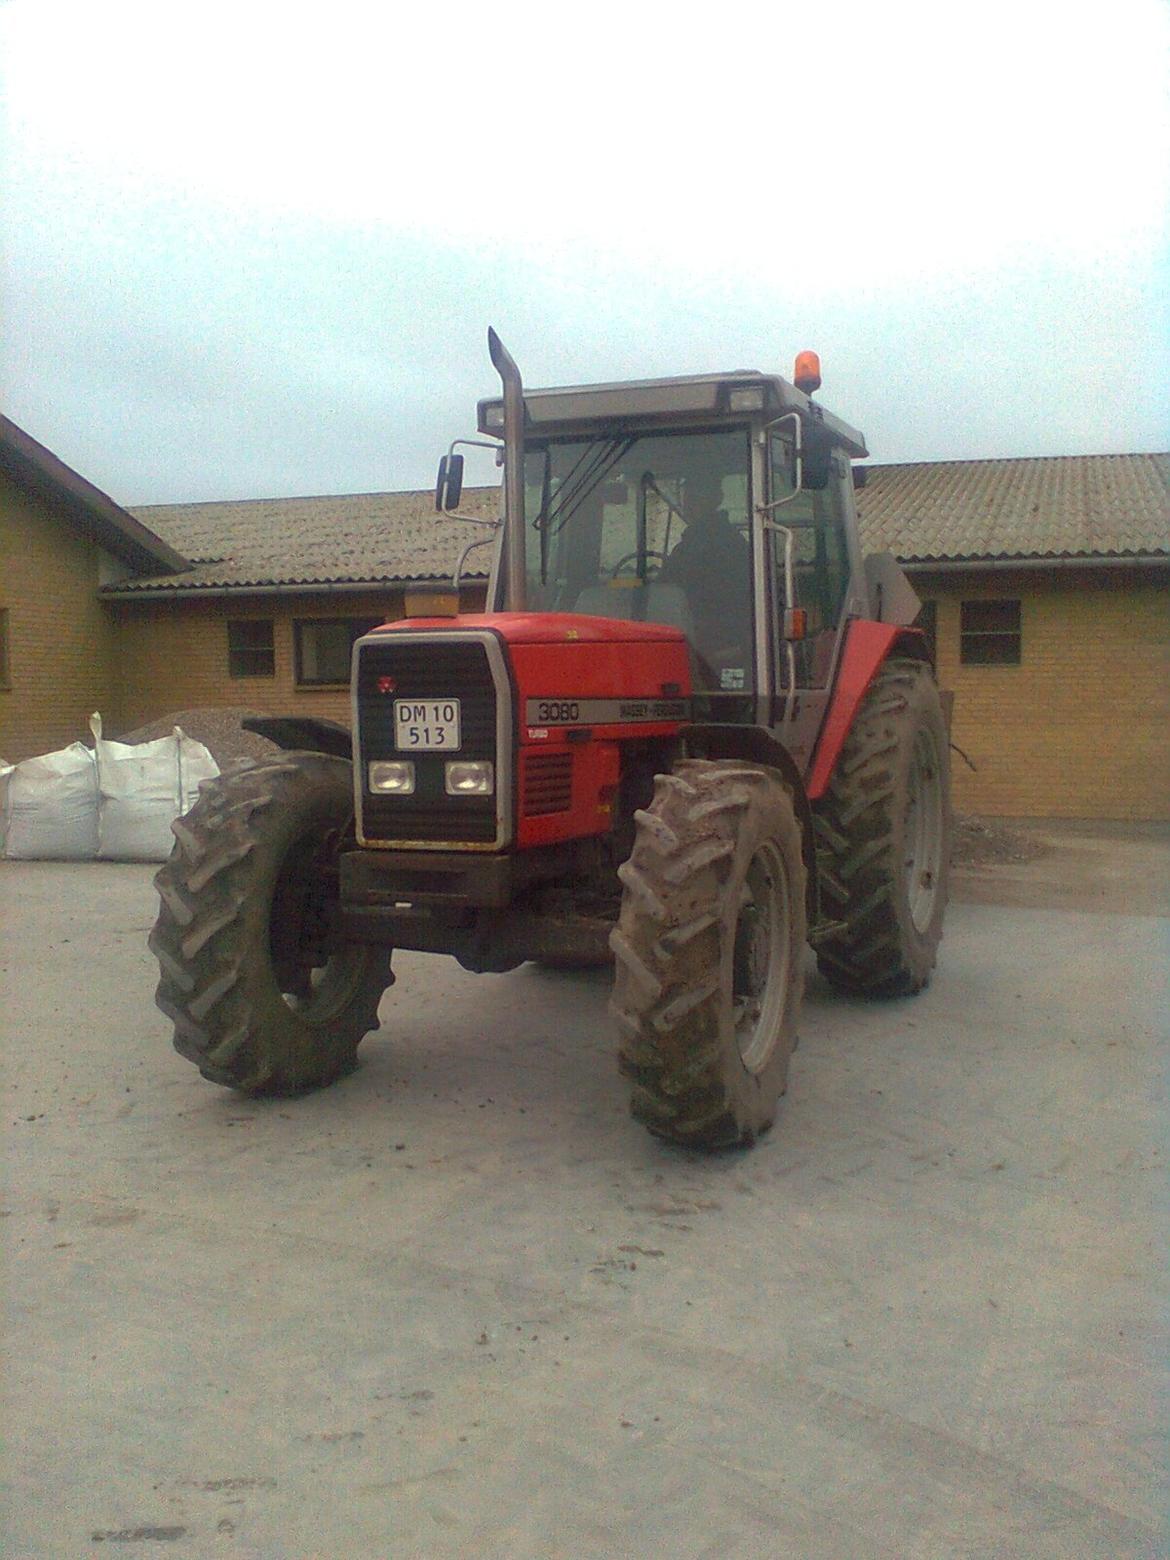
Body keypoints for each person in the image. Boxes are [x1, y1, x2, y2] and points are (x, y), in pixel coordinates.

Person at [657, 470, 752, 686]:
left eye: (696, 495)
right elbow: (664, 588)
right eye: (686, 495)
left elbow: (731, 602)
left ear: (716, 498)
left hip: (718, 648)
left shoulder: (727, 545)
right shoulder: (689, 545)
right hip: (689, 639)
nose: (688, 502)